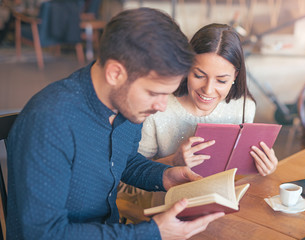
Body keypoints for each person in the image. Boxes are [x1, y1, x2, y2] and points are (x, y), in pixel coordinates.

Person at [6, 8, 224, 240]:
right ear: (115, 73)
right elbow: (43, 234)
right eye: (154, 93)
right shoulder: (48, 121)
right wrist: (151, 233)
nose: (161, 106)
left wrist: (164, 176)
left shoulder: (128, 105)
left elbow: (123, 160)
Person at [119, 23, 279, 208]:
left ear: (235, 75)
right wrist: (173, 161)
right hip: (170, 207)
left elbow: (240, 170)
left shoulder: (244, 106)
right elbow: (131, 171)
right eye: (199, 75)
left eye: (221, 80)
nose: (208, 89)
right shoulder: (159, 107)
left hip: (224, 203)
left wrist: (265, 165)